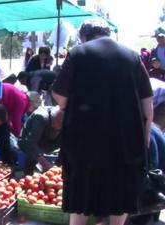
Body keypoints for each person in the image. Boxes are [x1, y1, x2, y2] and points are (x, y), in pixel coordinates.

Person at [52, 19, 153, 225]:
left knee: (81, 194)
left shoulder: (78, 54)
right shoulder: (132, 56)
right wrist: (145, 135)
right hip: (125, 141)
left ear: (84, 36)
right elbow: (147, 103)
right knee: (120, 193)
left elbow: (60, 96)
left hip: (84, 141)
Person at [18, 104, 63, 175]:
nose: (57, 127)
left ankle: (55, 168)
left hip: (47, 141)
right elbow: (30, 142)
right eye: (57, 123)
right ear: (52, 117)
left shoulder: (66, 120)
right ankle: (28, 174)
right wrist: (44, 164)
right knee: (32, 154)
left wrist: (56, 167)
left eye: (61, 124)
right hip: (27, 141)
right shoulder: (40, 117)